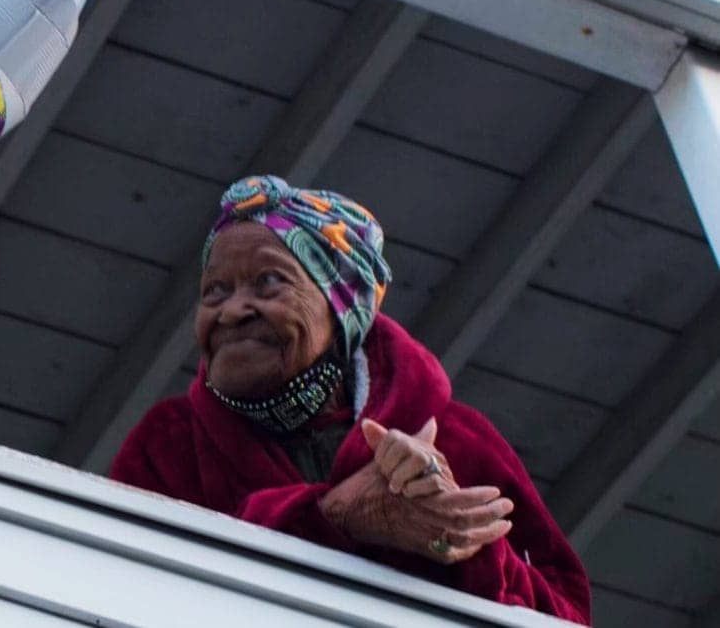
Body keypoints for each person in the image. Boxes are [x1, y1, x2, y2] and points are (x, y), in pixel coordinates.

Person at [110, 175, 591, 623]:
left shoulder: (460, 440)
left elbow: (564, 615)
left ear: (342, 306)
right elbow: (117, 588)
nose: (233, 310)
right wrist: (336, 516)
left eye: (269, 283)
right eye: (215, 290)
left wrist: (463, 540)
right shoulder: (168, 443)